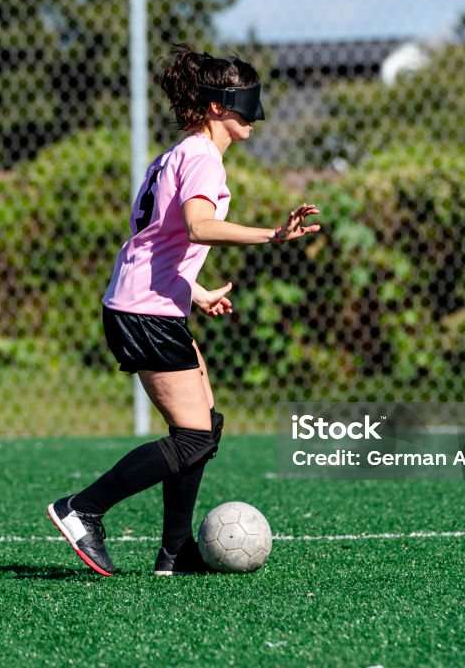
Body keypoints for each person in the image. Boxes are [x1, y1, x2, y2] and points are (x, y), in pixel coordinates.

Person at [47, 45, 320, 576]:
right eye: (243, 101)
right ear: (217, 106)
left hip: (151, 305)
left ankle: (175, 553)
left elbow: (157, 240)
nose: (252, 113)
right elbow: (195, 225)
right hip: (143, 311)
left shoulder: (177, 153)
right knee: (192, 436)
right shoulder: (201, 157)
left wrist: (194, 291)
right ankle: (82, 508)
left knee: (204, 429)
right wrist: (272, 234)